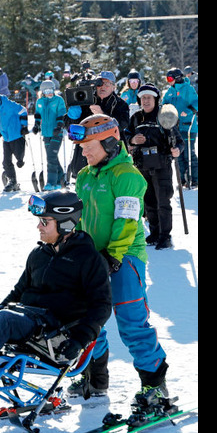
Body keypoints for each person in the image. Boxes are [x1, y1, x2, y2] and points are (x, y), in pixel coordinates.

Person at [0, 191, 111, 392]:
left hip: (56, 335)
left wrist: (80, 339)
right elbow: (19, 291)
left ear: (65, 223)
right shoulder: (39, 254)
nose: (38, 226)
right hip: (30, 321)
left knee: (5, 319)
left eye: (44, 222)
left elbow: (102, 305)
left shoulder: (88, 259)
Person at [68, 114, 171, 407]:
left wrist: (113, 255)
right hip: (92, 260)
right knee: (90, 321)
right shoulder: (86, 175)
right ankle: (95, 378)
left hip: (124, 258)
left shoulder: (126, 174)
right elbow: (80, 218)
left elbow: (127, 219)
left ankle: (154, 384)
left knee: (131, 322)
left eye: (90, 145)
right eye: (82, 146)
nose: (84, 152)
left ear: (110, 142)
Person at [126, 84, 182, 250]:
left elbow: (178, 140)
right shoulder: (136, 118)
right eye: (143, 98)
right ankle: (155, 233)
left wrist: (177, 149)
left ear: (156, 99)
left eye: (149, 97)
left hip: (162, 165)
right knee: (149, 201)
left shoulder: (164, 116)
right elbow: (126, 135)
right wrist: (133, 140)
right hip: (142, 165)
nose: (146, 100)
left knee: (163, 201)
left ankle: (165, 236)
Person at [0, 89, 29, 192]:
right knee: (6, 161)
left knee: (19, 158)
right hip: (6, 137)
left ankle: (20, 160)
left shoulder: (9, 105)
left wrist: (24, 126)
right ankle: (12, 181)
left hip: (16, 135)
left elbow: (23, 110)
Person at [163, 68, 199, 188]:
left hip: (188, 126)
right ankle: (183, 180)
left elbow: (196, 103)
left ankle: (194, 179)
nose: (168, 81)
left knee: (189, 153)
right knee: (178, 153)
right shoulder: (170, 92)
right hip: (175, 127)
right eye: (167, 79)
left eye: (170, 79)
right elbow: (164, 104)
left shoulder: (188, 89)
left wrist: (189, 111)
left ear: (177, 78)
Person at [32, 80, 67, 190]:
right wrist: (36, 126)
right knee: (53, 157)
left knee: (51, 157)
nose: (49, 93)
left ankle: (51, 182)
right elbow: (38, 114)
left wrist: (59, 126)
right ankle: (60, 178)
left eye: (51, 90)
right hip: (46, 133)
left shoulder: (58, 100)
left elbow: (62, 113)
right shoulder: (40, 102)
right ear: (42, 92)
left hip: (57, 132)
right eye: (46, 91)